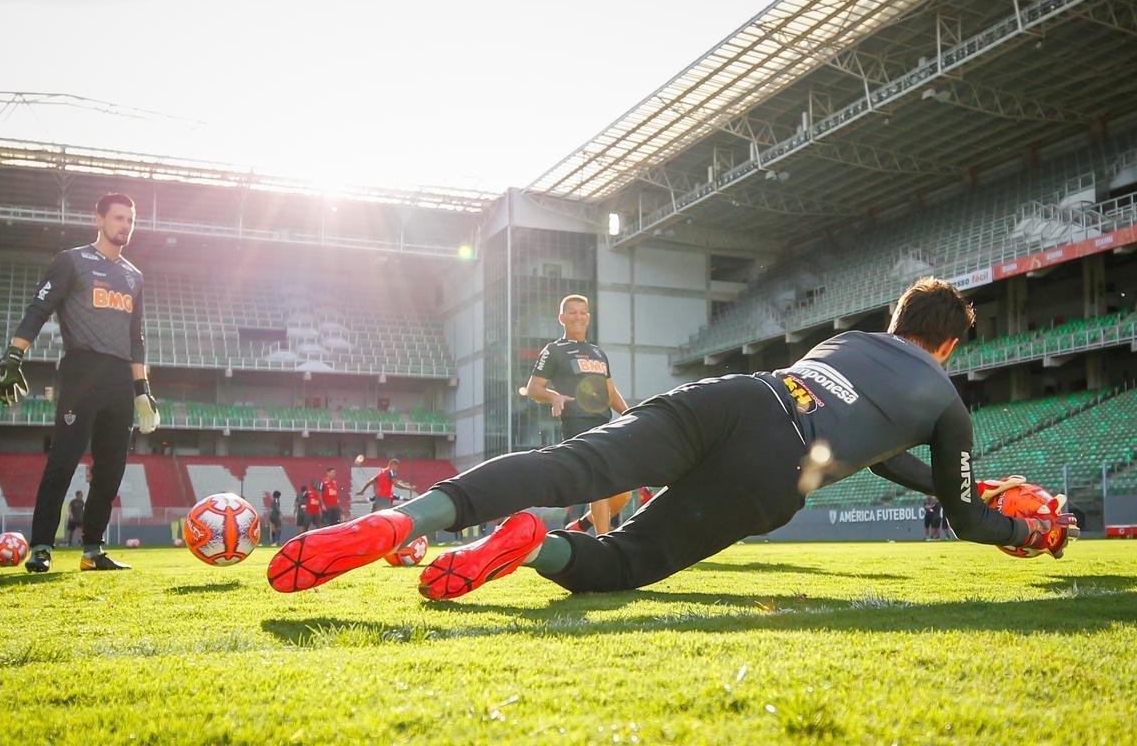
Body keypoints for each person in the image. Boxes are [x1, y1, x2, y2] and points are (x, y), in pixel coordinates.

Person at [266, 277, 1078, 599]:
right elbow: (965, 515)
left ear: (896, 322)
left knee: (564, 465)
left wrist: (947, 482)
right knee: (624, 564)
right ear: (947, 347)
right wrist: (1022, 528)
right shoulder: (945, 398)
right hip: (777, 467)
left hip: (737, 398)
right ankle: (534, 550)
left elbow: (872, 445)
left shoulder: (846, 345)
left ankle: (403, 522)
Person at [0, 193, 160, 573]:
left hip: (118, 380)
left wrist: (142, 390)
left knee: (112, 468)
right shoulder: (72, 261)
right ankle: (42, 547)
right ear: (99, 219)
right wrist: (13, 355)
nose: (125, 226)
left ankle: (93, 551)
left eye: (130, 220)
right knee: (63, 461)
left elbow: (137, 338)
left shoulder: (134, 276)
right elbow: (39, 309)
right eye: (118, 218)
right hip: (81, 371)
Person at [524, 295, 631, 535]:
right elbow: (533, 388)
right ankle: (604, 543)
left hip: (605, 425)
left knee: (623, 495)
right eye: (572, 312)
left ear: (588, 317)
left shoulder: (598, 353)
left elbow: (611, 392)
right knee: (600, 486)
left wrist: (632, 414)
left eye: (582, 312)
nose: (577, 316)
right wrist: (554, 396)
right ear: (561, 318)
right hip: (577, 425)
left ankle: (581, 526)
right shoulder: (553, 350)